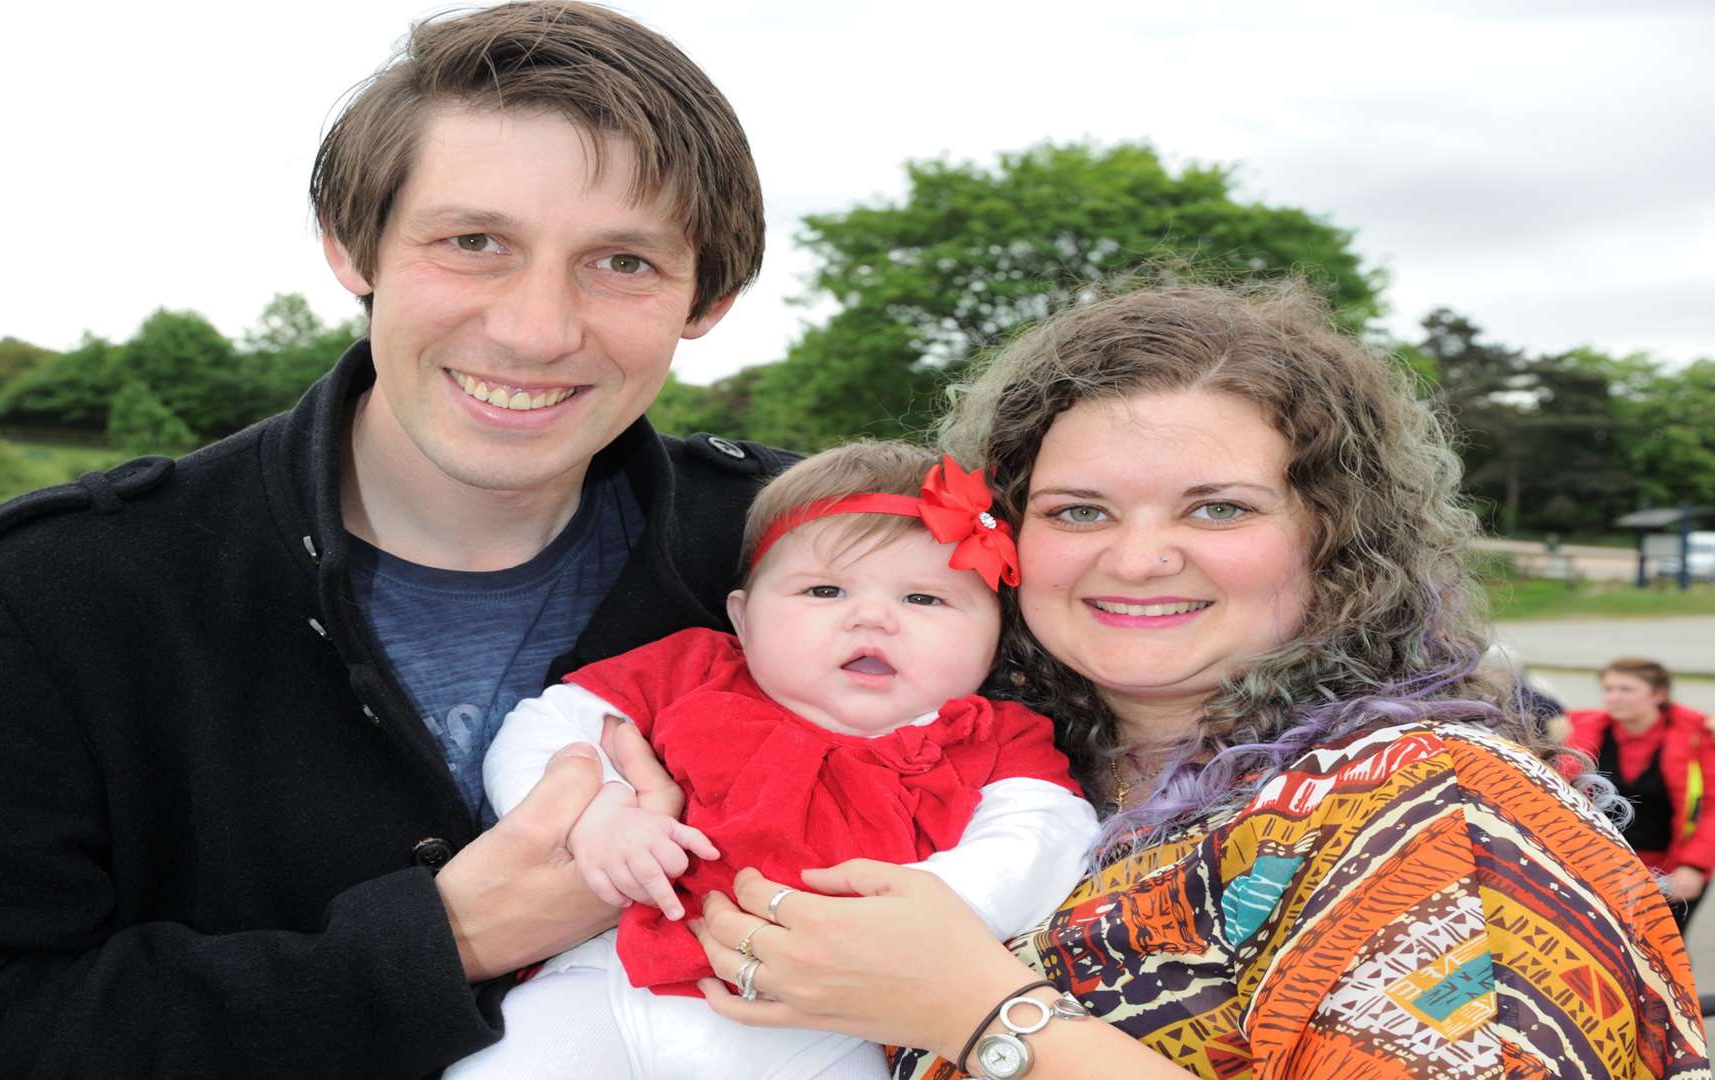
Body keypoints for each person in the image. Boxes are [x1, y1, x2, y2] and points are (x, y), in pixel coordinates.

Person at [0, 5, 782, 1076]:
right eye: (474, 242)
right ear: (351, 246)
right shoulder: (60, 591)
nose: (537, 328)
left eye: (624, 262)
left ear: (709, 297)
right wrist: (444, 944)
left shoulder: (810, 554)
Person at [674, 283, 1707, 1079]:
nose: (1136, 559)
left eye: (1216, 509)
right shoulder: (998, 765)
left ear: (1336, 538)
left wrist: (984, 1017)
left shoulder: (1442, 814)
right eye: (1080, 510)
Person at [453, 442, 1096, 1079]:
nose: (871, 618)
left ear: (996, 636)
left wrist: (941, 903)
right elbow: (550, 725)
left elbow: (1042, 832)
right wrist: (602, 812)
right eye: (823, 590)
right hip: (607, 979)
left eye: (923, 599)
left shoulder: (995, 738)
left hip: (818, 1021)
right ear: (743, 616)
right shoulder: (693, 671)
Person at [1564, 657, 1715, 930]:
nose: (1613, 697)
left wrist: (1694, 866)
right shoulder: (1582, 732)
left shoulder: (1698, 738)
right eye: (1608, 689)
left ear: (1659, 694)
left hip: (1672, 869)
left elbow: (1711, 808)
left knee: (1664, 954)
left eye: (1626, 689)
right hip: (1601, 864)